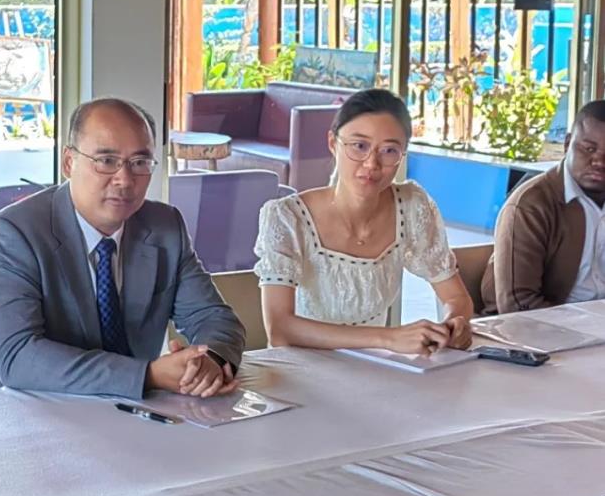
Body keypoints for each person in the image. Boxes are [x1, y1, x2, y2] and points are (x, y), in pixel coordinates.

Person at [0, 98, 246, 399]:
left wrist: (208, 361)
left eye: (139, 163)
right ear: (68, 162)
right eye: (106, 161)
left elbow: (213, 318)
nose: (125, 180)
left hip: (134, 411)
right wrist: (147, 375)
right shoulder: (13, 234)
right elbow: (17, 358)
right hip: (27, 408)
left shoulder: (164, 226)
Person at [255, 88, 473, 353]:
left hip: (373, 365)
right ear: (333, 143)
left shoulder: (411, 206)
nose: (372, 164)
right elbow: (280, 329)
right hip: (299, 366)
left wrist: (454, 324)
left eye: (389, 150)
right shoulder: (287, 217)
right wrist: (387, 338)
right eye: (359, 146)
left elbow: (456, 296)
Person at [481, 101, 605, 313]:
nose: (600, 162)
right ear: (567, 144)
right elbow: (517, 304)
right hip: (536, 325)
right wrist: (587, 324)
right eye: (589, 149)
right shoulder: (530, 206)